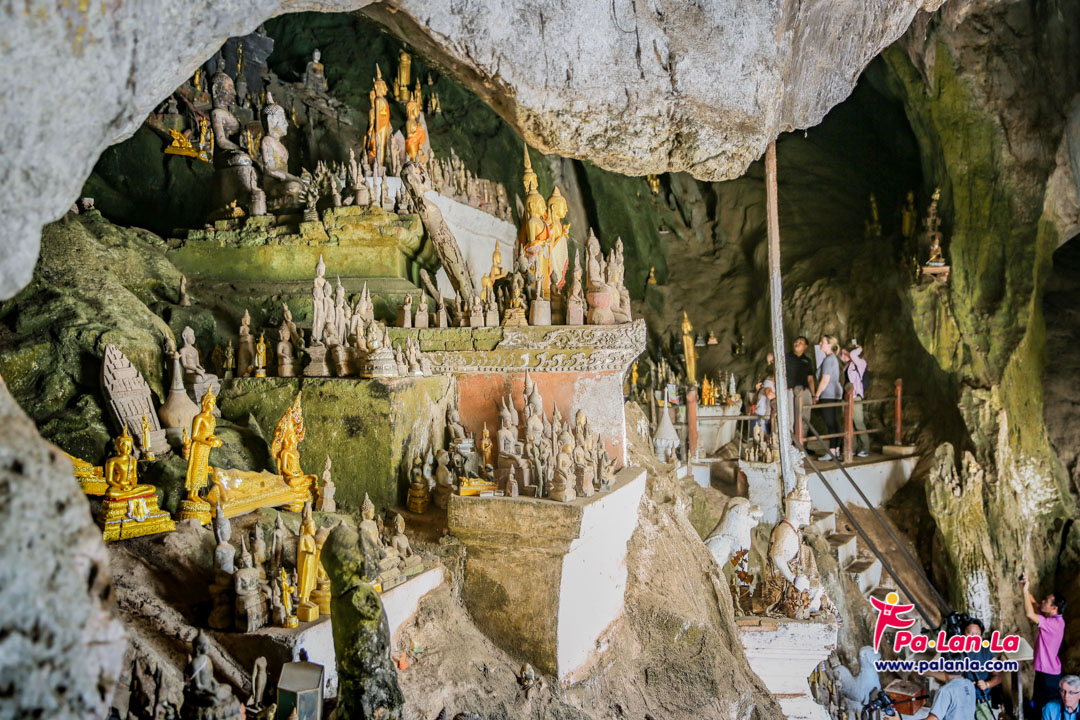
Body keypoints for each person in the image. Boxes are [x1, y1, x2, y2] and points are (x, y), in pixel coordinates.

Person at [925, 618, 1001, 720]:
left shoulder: (987, 653)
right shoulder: (958, 652)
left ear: (981, 635)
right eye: (970, 633)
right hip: (961, 702)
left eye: (976, 633)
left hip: (980, 701)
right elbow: (950, 675)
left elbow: (998, 676)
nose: (973, 636)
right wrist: (929, 673)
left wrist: (987, 684)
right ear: (963, 633)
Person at [1022, 573, 1067, 716]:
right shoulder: (1052, 617)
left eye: (1047, 601)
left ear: (1054, 608)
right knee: (1038, 704)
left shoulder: (1055, 624)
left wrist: (1025, 591)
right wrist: (1024, 587)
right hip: (1044, 671)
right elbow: (1035, 604)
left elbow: (1030, 614)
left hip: (1049, 675)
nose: (1043, 601)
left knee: (1047, 708)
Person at [813, 335, 843, 460]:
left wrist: (817, 395)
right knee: (834, 422)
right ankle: (836, 450)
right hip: (835, 394)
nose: (820, 343)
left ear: (830, 345)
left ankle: (832, 452)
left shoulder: (829, 359)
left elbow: (825, 379)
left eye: (823, 342)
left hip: (828, 394)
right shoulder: (832, 358)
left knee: (831, 423)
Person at [841, 340, 870, 457]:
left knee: (858, 422)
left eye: (845, 354)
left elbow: (853, 355)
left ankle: (865, 448)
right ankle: (851, 448)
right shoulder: (846, 366)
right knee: (849, 424)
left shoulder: (860, 364)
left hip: (855, 397)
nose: (843, 356)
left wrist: (858, 348)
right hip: (846, 398)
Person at [753, 353, 776, 437]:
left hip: (767, 417)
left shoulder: (772, 382)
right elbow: (769, 395)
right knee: (763, 440)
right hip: (762, 417)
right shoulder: (768, 381)